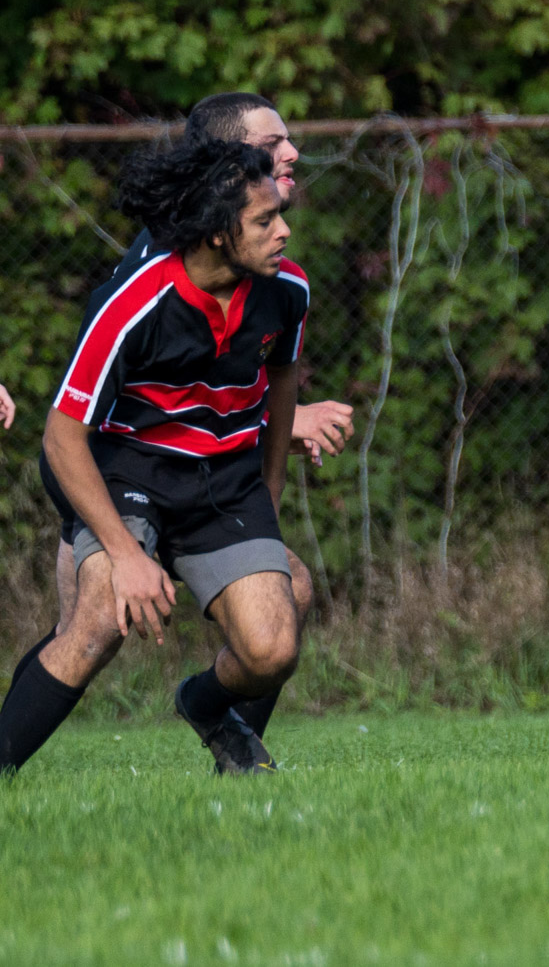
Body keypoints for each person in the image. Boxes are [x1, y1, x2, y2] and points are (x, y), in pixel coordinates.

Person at [20, 92, 351, 745]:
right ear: (220, 197)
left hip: (213, 481)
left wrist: (269, 482)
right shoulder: (151, 282)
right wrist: (121, 549)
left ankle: (223, 730)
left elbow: (257, 375)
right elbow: (72, 426)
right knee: (94, 624)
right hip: (121, 471)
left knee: (289, 606)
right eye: (269, 146)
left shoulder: (278, 279)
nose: (290, 154)